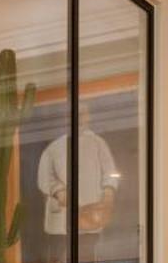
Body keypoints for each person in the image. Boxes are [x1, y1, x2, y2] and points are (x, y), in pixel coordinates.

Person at [36, 100, 119, 237]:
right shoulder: (53, 148)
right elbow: (44, 177)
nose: (78, 118)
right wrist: (58, 191)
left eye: (82, 114)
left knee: (88, 245)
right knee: (61, 248)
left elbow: (110, 172)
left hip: (91, 214)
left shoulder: (98, 143)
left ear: (88, 116)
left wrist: (108, 192)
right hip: (61, 220)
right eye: (73, 114)